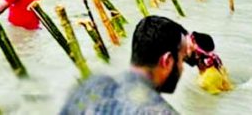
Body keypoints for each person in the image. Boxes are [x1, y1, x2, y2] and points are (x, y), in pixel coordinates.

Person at [60, 15, 191, 114]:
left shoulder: (87, 89)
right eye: (182, 59)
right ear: (167, 61)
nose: (182, 68)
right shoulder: (160, 111)